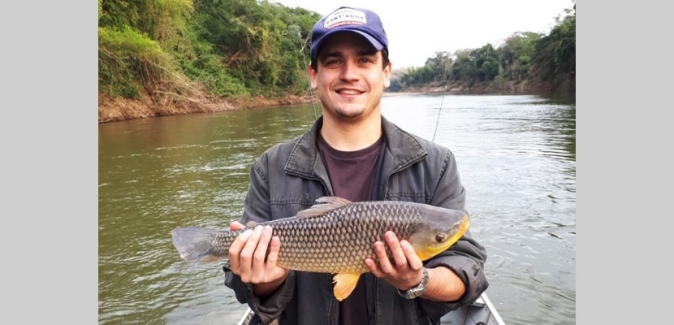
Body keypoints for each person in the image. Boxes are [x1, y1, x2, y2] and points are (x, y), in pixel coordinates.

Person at [224, 6, 488, 325]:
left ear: (386, 72)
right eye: (334, 61)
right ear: (313, 75)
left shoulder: (436, 163)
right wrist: (266, 278)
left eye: (364, 60)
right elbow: (245, 285)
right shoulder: (271, 166)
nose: (349, 73)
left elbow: (466, 268)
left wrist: (417, 280)